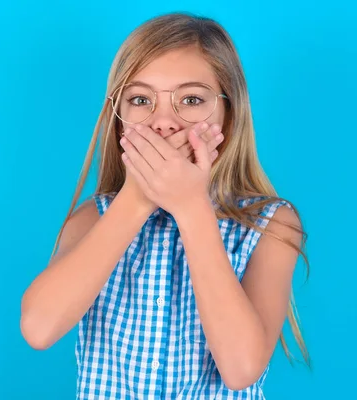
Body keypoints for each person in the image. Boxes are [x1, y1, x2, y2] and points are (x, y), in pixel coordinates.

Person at [20, 12, 310, 399]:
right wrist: (138, 199)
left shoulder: (271, 224)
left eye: (190, 99)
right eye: (141, 100)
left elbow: (241, 369)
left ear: (230, 112)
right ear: (119, 120)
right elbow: (39, 329)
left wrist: (191, 208)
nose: (164, 122)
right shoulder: (95, 218)